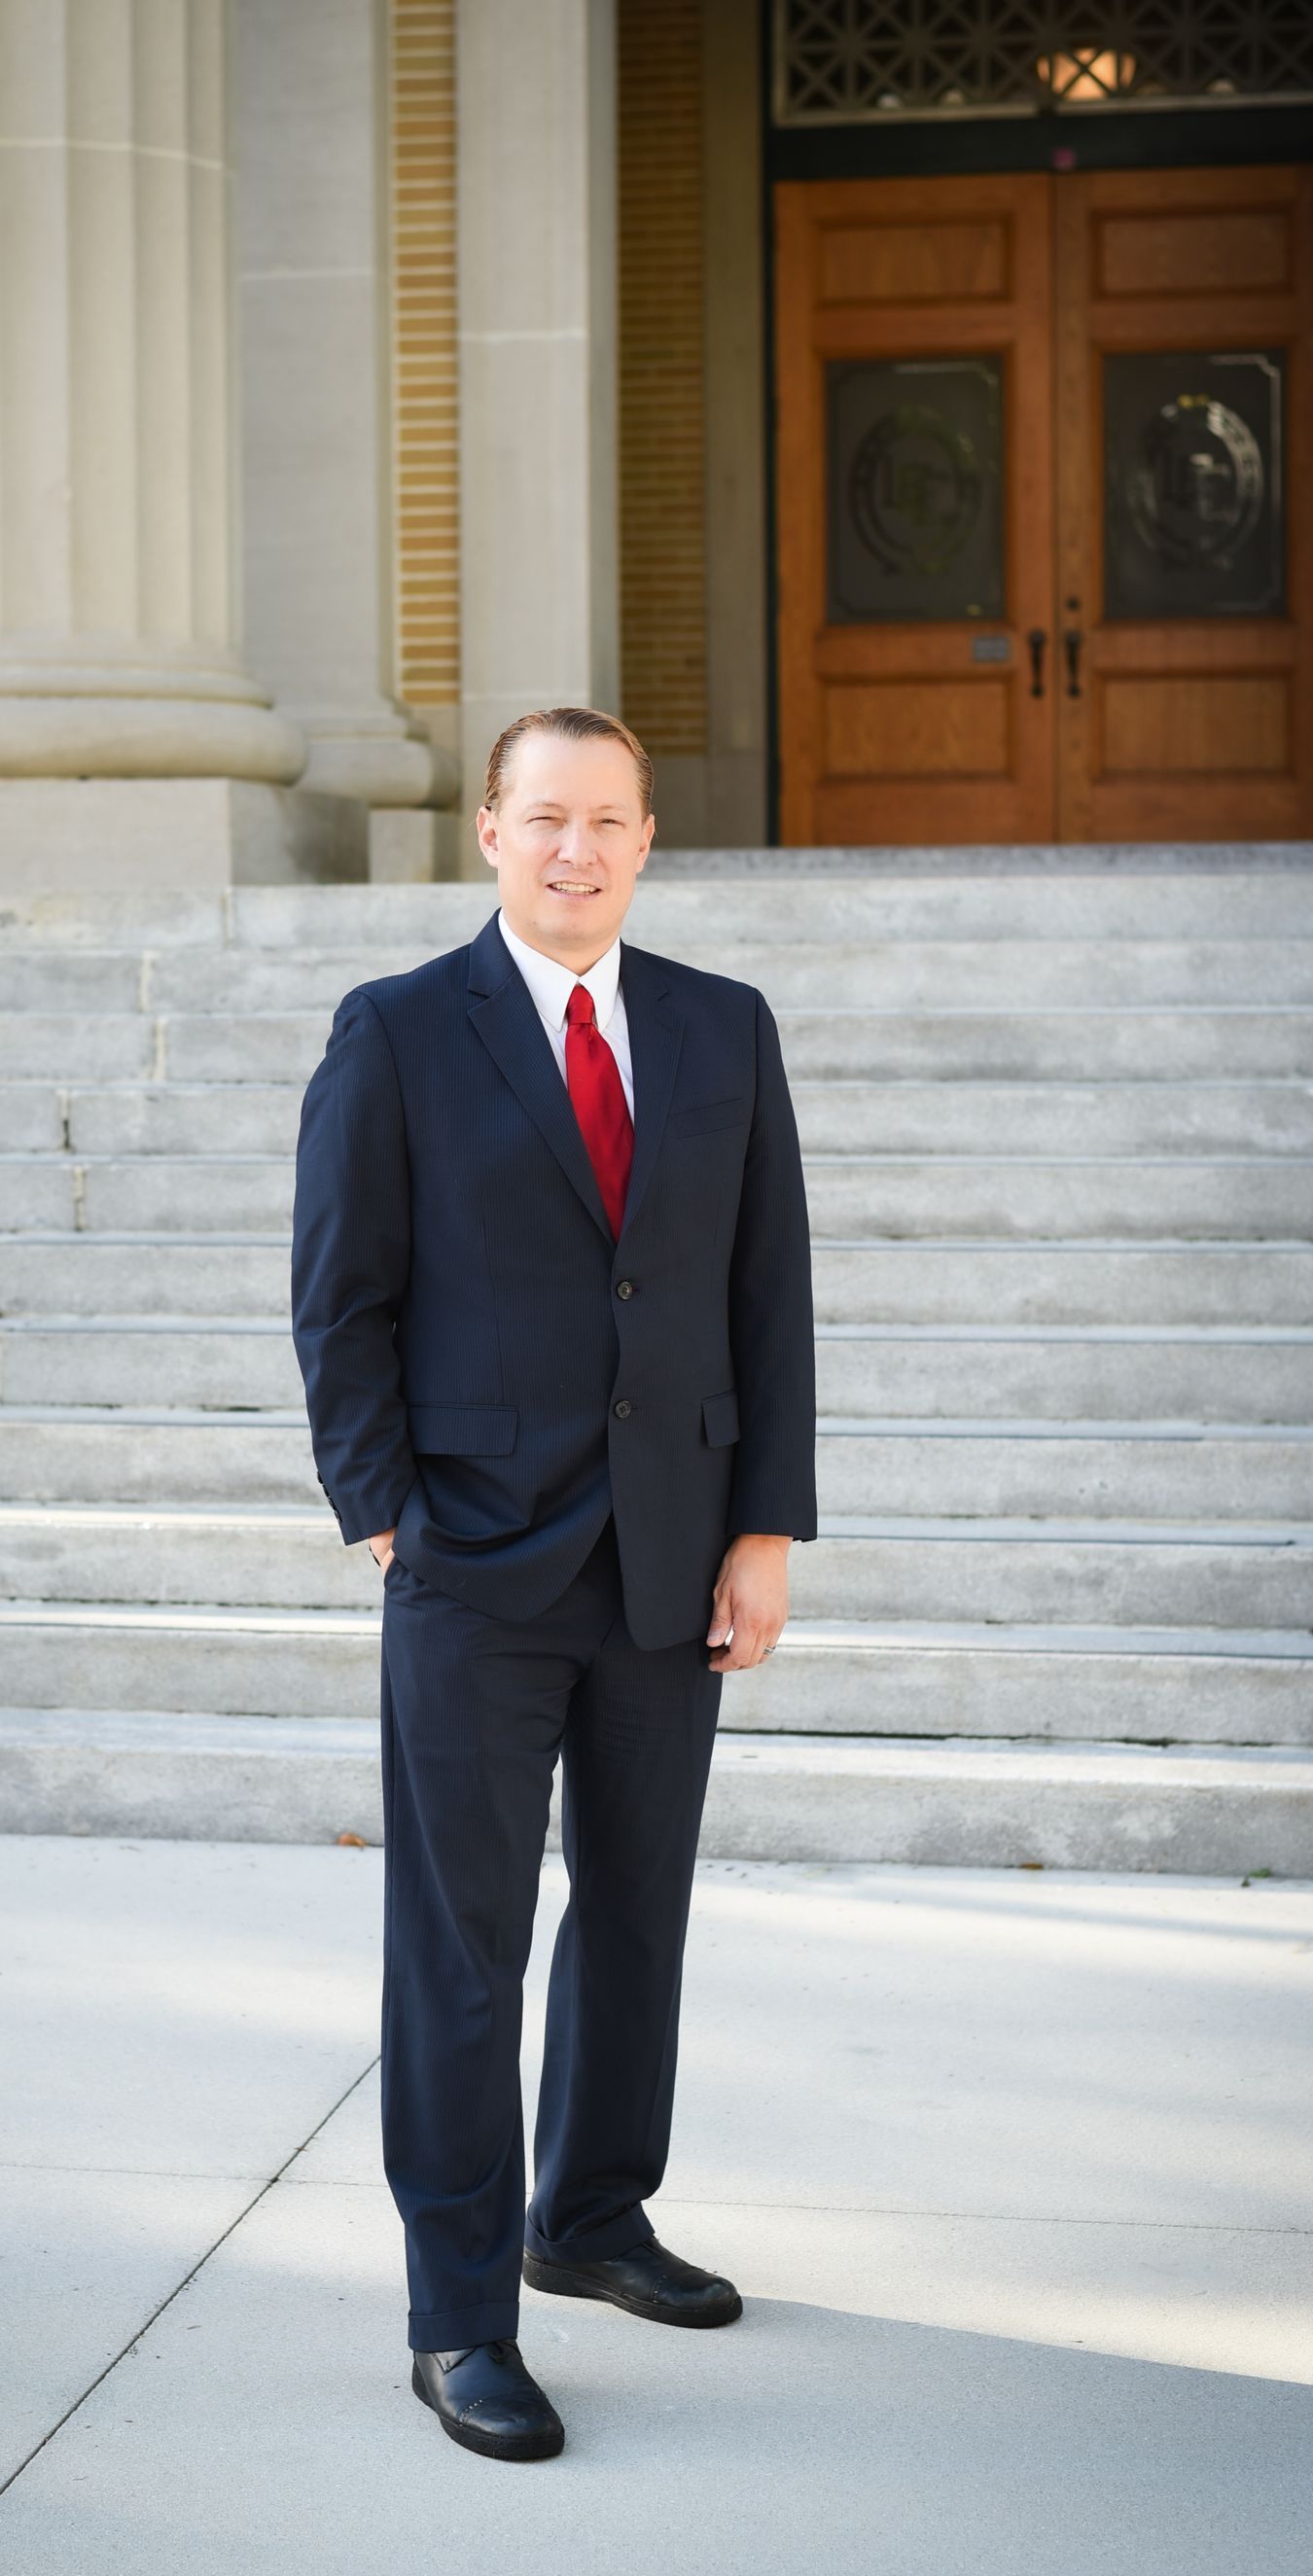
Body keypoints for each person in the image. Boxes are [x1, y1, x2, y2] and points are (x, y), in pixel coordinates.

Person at [291, 705, 817, 2462]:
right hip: (473, 1561)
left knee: (640, 1908)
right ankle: (458, 2318)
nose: (576, 849)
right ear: (490, 837)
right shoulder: (395, 1036)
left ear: (649, 839)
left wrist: (768, 1528)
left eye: (608, 820)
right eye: (543, 819)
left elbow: (768, 1297)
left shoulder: (720, 1030)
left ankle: (589, 2215)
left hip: (672, 1554)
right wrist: (386, 1518)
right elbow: (341, 1300)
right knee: (461, 1944)